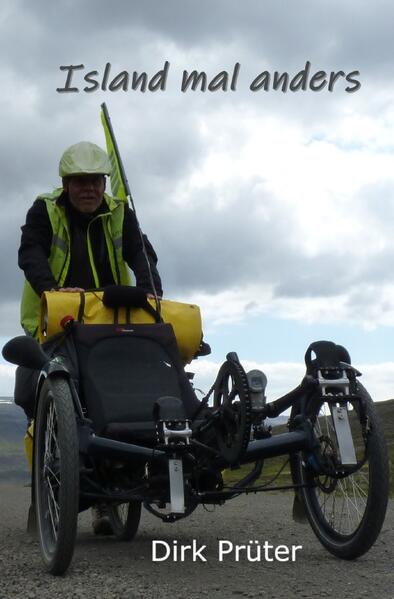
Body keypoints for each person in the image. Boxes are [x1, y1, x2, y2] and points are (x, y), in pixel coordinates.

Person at [16, 141, 163, 534]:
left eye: (96, 181)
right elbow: (30, 253)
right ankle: (47, 486)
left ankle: (108, 499)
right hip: (56, 321)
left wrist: (151, 293)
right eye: (80, 181)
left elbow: (140, 254)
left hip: (112, 322)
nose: (89, 189)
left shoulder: (119, 213)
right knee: (37, 390)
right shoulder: (44, 210)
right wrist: (54, 293)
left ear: (104, 183)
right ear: (65, 184)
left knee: (128, 397)